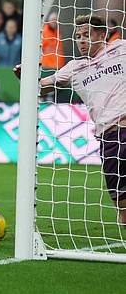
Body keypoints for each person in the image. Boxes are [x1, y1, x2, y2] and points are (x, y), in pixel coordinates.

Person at [14, 15, 126, 225]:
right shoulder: (75, 68)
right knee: (123, 212)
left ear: (102, 35)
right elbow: (42, 85)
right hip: (110, 141)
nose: (82, 40)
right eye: (78, 36)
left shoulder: (120, 48)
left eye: (87, 35)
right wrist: (26, 77)